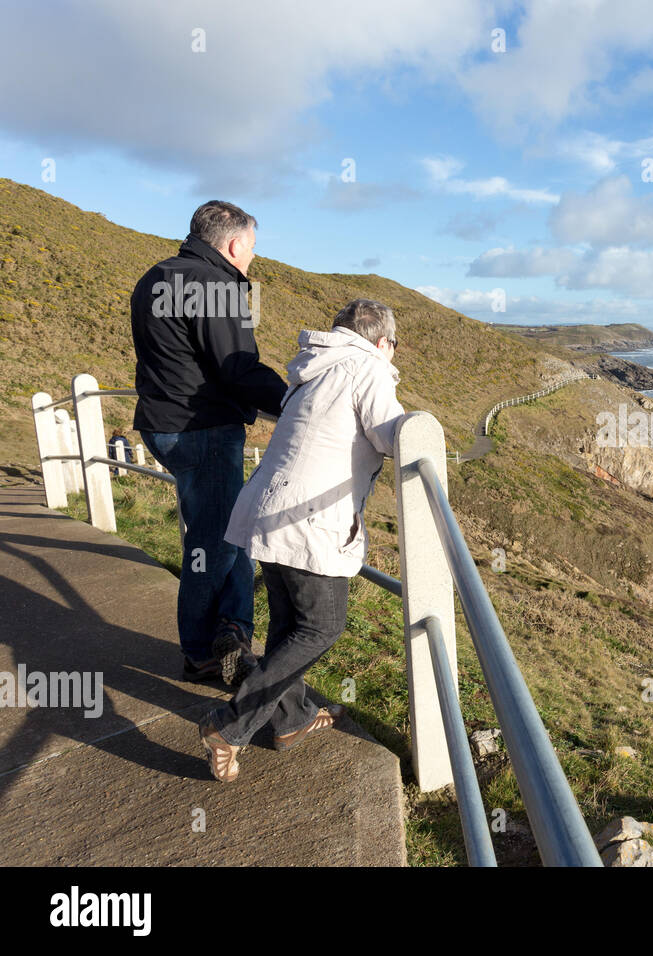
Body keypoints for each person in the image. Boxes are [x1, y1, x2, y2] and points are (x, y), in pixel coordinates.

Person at [200, 299, 404, 782]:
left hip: (271, 515)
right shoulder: (366, 368)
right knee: (321, 628)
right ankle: (232, 725)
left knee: (290, 626)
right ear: (382, 342)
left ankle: (289, 721)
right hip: (309, 522)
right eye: (394, 346)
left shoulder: (312, 370)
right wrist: (423, 432)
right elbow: (393, 436)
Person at [130, 201, 287, 686]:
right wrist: (297, 402)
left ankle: (233, 631)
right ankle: (201, 652)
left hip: (163, 425)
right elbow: (237, 368)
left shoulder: (156, 276)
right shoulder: (215, 286)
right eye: (253, 248)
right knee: (212, 545)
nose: (253, 258)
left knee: (228, 533)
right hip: (202, 431)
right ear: (235, 244)